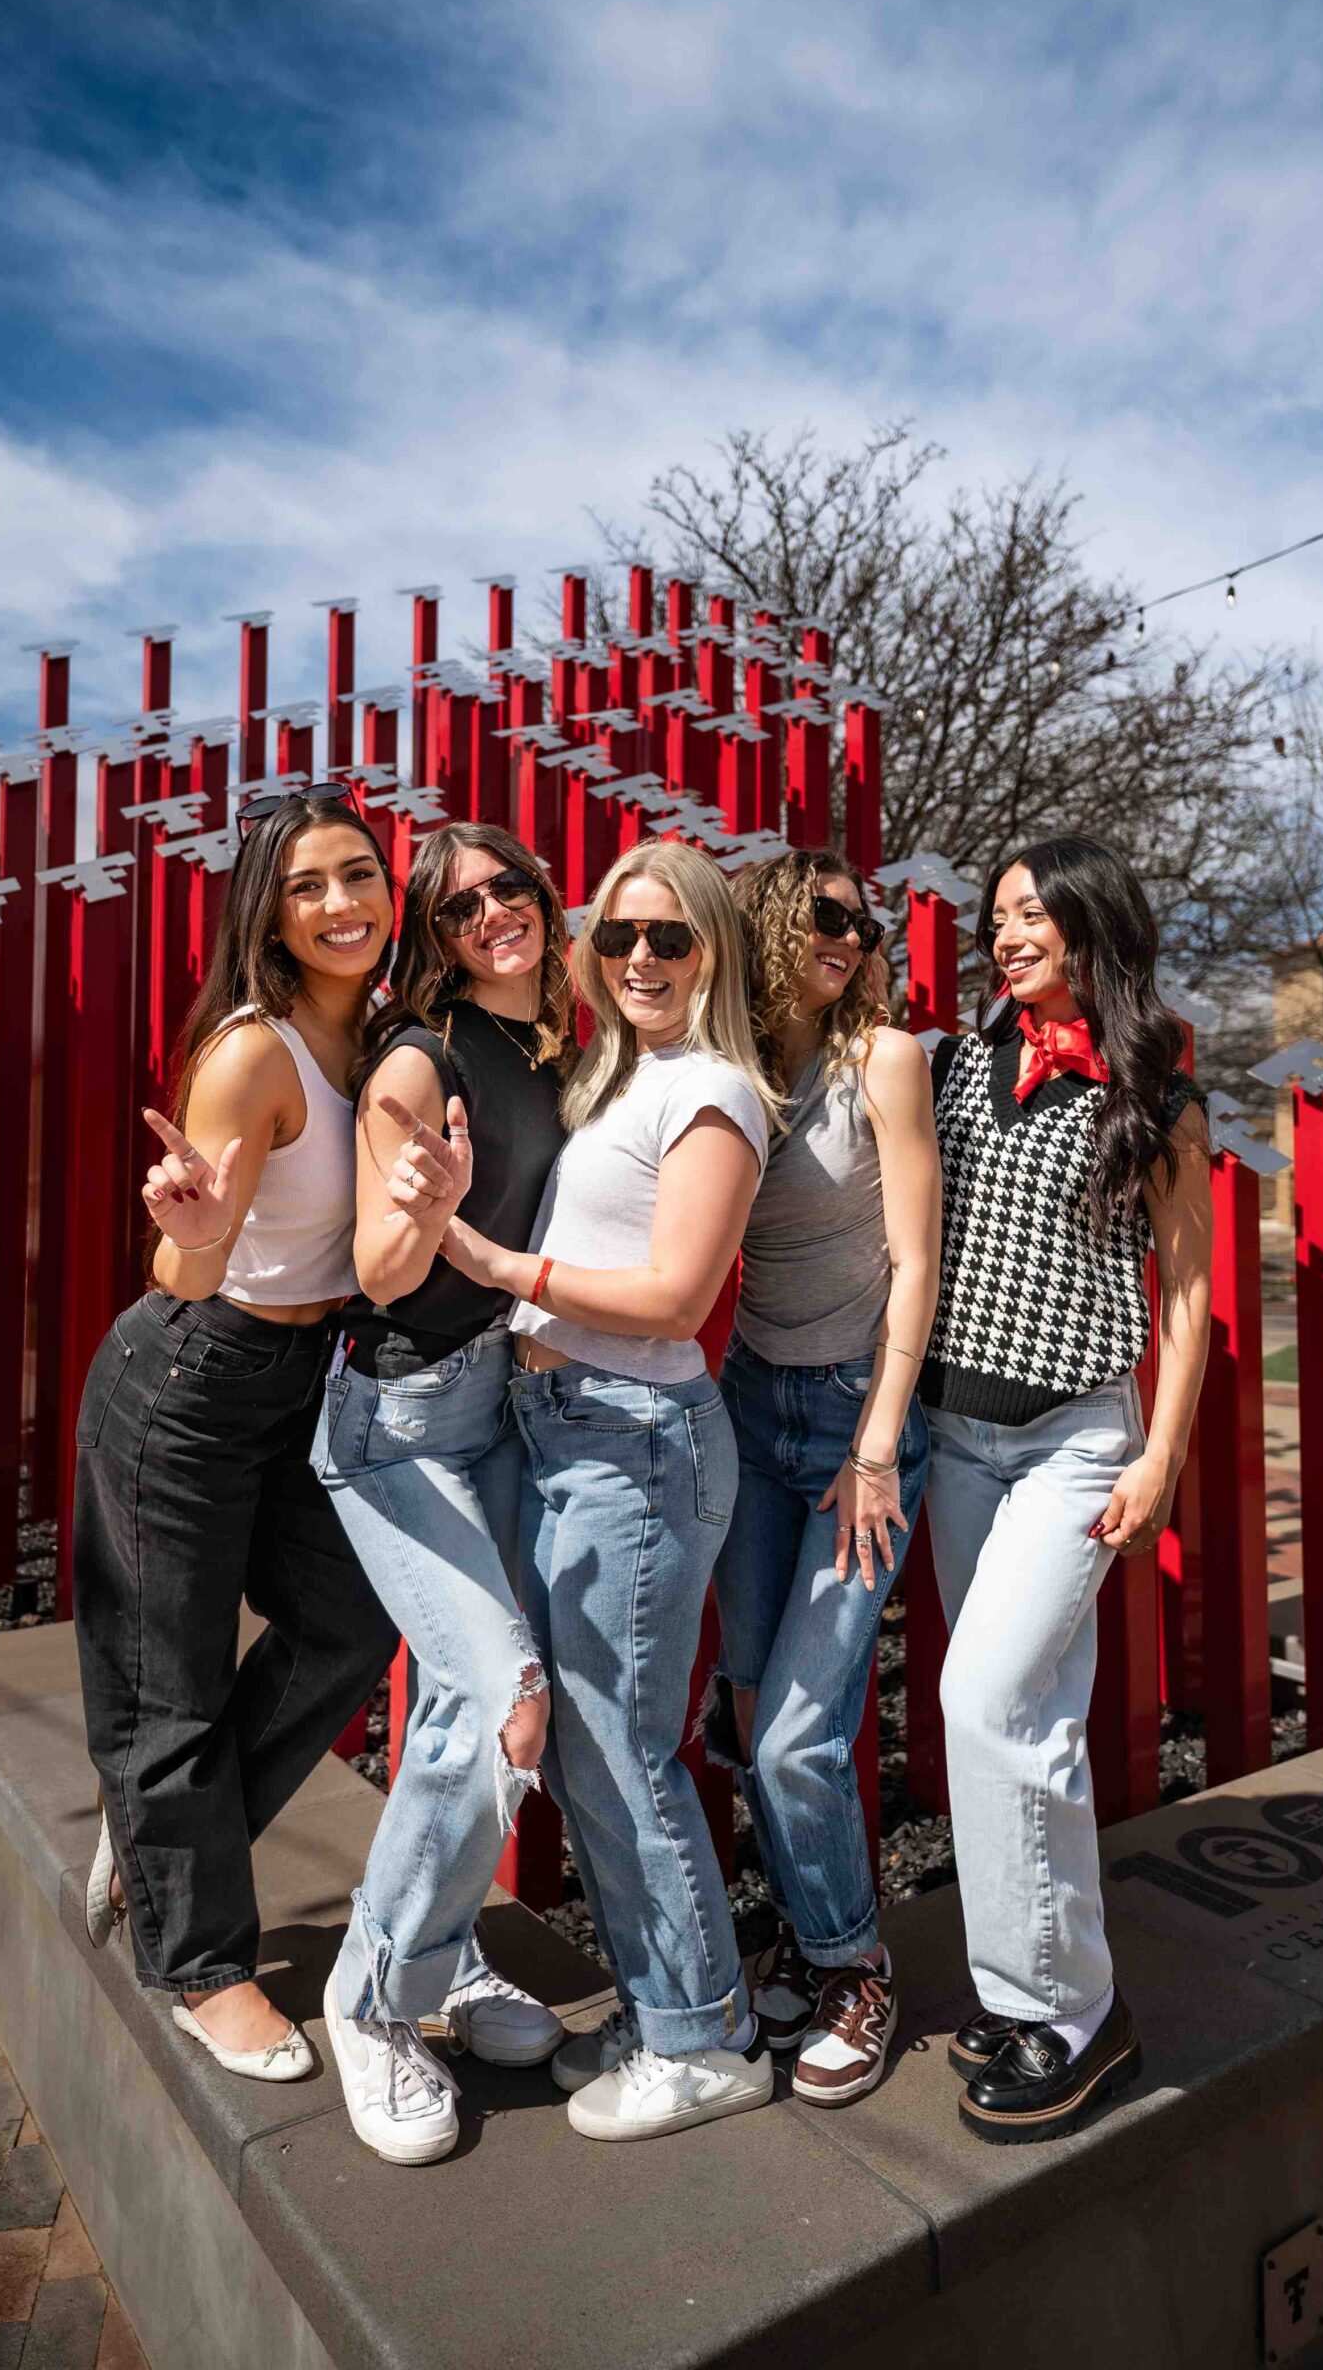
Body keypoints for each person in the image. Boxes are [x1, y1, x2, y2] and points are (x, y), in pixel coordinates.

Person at [424, 839, 779, 2144]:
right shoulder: (613, 1076)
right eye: (619, 936)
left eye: (670, 938)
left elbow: (677, 1297)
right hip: (566, 1425)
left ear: (712, 955)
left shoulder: (716, 1092)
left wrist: (493, 1262)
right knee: (586, 1749)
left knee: (625, 1749)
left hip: (632, 1436)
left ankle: (706, 2038)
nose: (639, 959)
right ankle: (660, 2000)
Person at [73, 785, 401, 2082]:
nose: (340, 903)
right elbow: (186, 1262)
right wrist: (199, 1233)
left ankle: (165, 1838)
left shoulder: (377, 1038)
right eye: (309, 883)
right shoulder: (254, 1052)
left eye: (359, 874)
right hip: (188, 1379)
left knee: (348, 1622)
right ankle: (199, 1964)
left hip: (294, 1380)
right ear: (267, 910)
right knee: (170, 1680)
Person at [920, 833, 1211, 2142]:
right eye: (996, 916)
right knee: (1014, 1725)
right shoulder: (954, 1063)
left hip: (1071, 1444)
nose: (1006, 931)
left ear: (1093, 924)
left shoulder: (1155, 1090)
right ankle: (1021, 1989)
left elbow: (1190, 1287)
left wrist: (1159, 1452)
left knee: (983, 1699)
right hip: (953, 1439)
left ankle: (1074, 2014)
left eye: (1031, 911)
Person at [311, 823, 573, 2165]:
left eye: (505, 890)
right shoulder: (423, 1059)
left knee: (478, 1713)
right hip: (397, 1419)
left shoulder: (558, 1044)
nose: (488, 918)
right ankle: (368, 2001)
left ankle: (438, 1950)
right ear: (435, 933)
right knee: (496, 1695)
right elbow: (381, 1269)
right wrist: (433, 1208)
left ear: (540, 895)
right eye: (458, 906)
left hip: (499, 1409)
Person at [704, 848, 940, 2107]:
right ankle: (801, 1927)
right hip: (747, 1408)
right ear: (768, 928)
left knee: (801, 1732)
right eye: (823, 915)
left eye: (861, 918)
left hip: (859, 1415)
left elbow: (915, 1261)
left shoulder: (880, 1061)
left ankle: (853, 1961)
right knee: (752, 1716)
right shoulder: (729, 1072)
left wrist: (875, 1447)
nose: (848, 935)